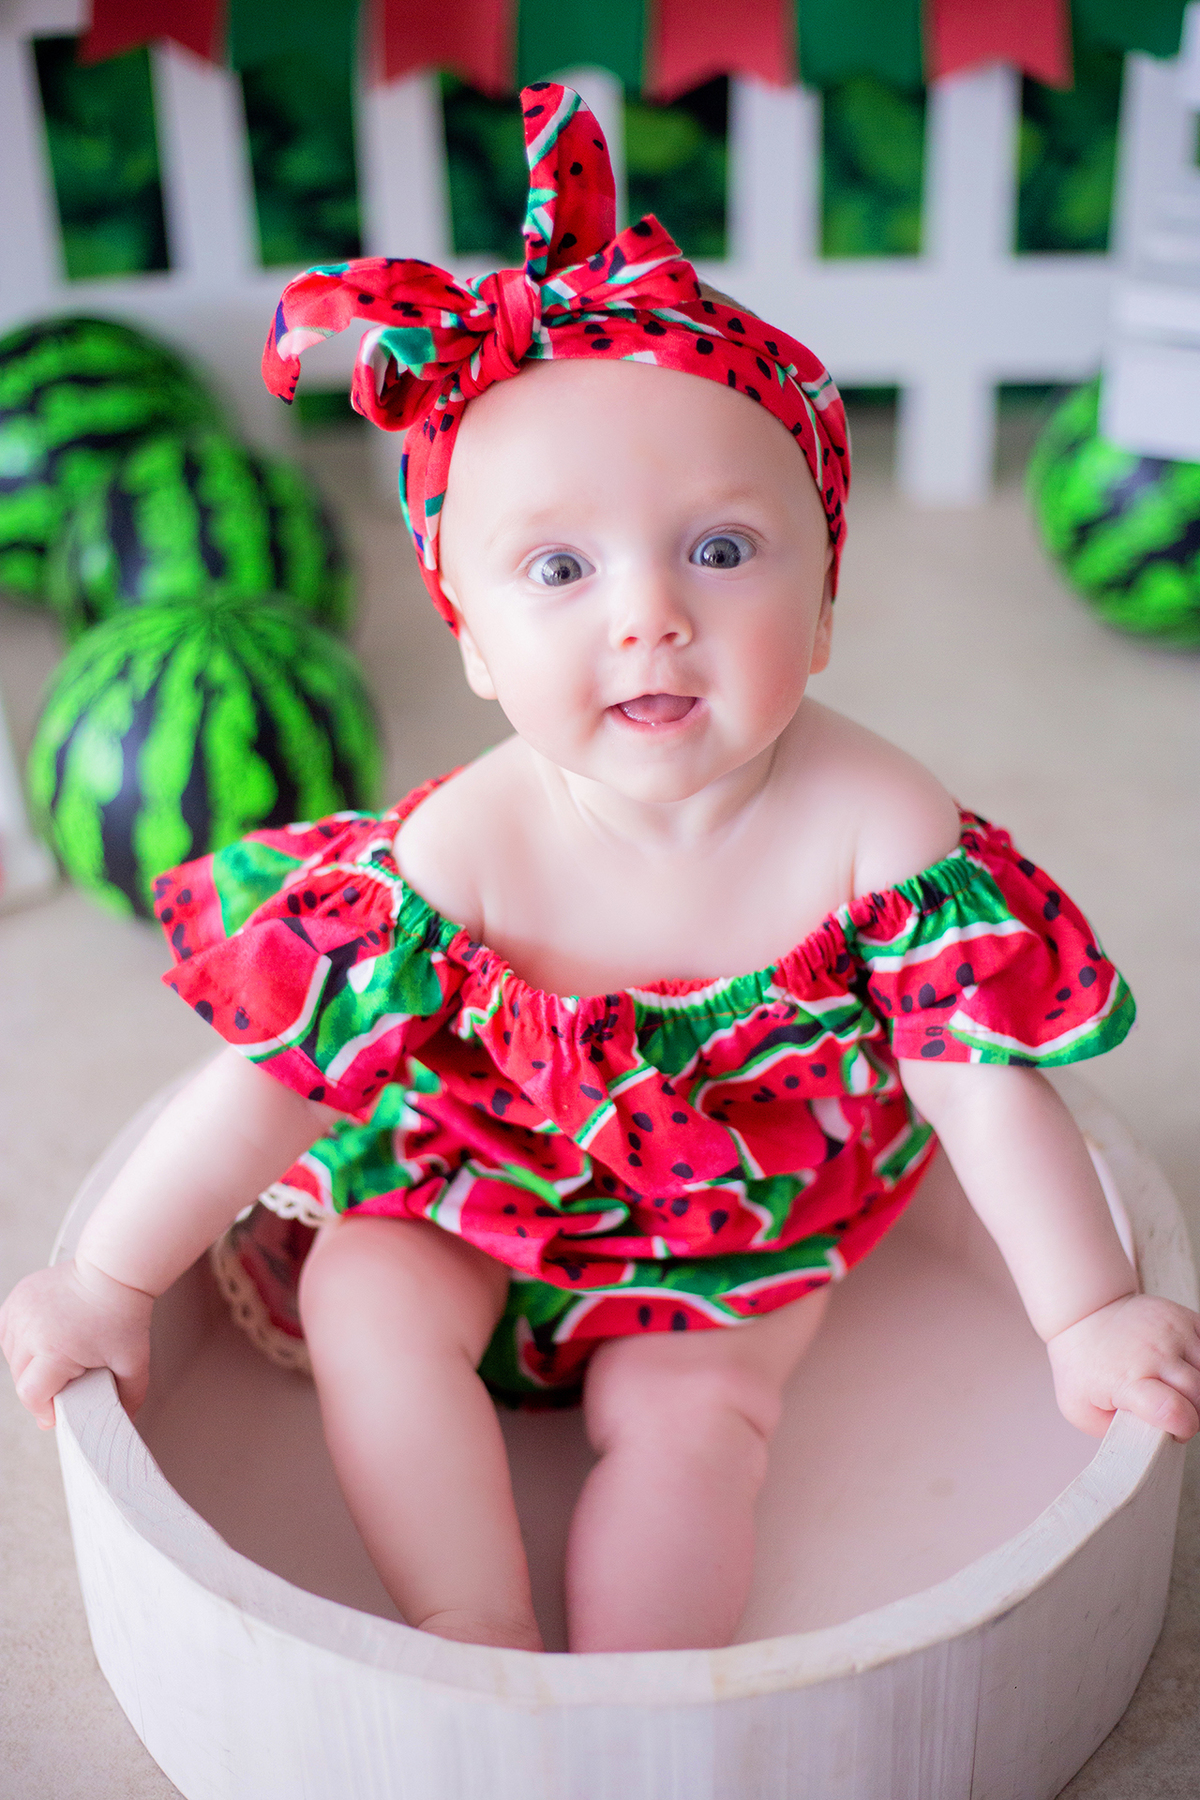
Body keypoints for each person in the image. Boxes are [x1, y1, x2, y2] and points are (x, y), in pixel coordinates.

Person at [4, 84, 1199, 1659]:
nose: (649, 615)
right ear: (477, 649)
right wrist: (102, 1275)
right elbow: (273, 1080)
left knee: (693, 1414)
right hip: (467, 1190)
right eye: (559, 570)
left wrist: (1088, 1314)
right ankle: (469, 1626)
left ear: (827, 607)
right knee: (372, 1296)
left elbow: (982, 1089)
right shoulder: (460, 850)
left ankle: (646, 1704)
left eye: (719, 549)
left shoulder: (884, 834)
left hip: (738, 1231)